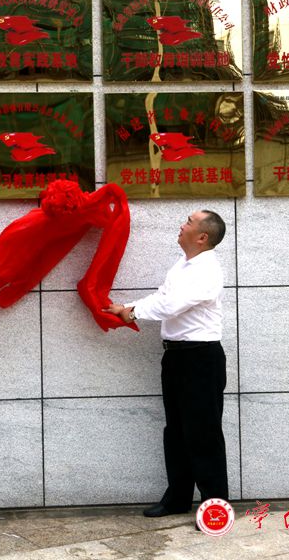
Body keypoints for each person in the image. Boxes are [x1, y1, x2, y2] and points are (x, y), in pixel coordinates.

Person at [106, 210, 229, 520]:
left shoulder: (207, 270)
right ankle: (177, 498)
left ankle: (215, 507)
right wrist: (128, 307)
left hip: (201, 358)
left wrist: (131, 312)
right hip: (176, 356)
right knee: (176, 431)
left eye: (188, 221)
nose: (181, 224)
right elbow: (164, 296)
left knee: (203, 433)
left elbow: (171, 305)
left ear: (202, 237)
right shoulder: (183, 265)